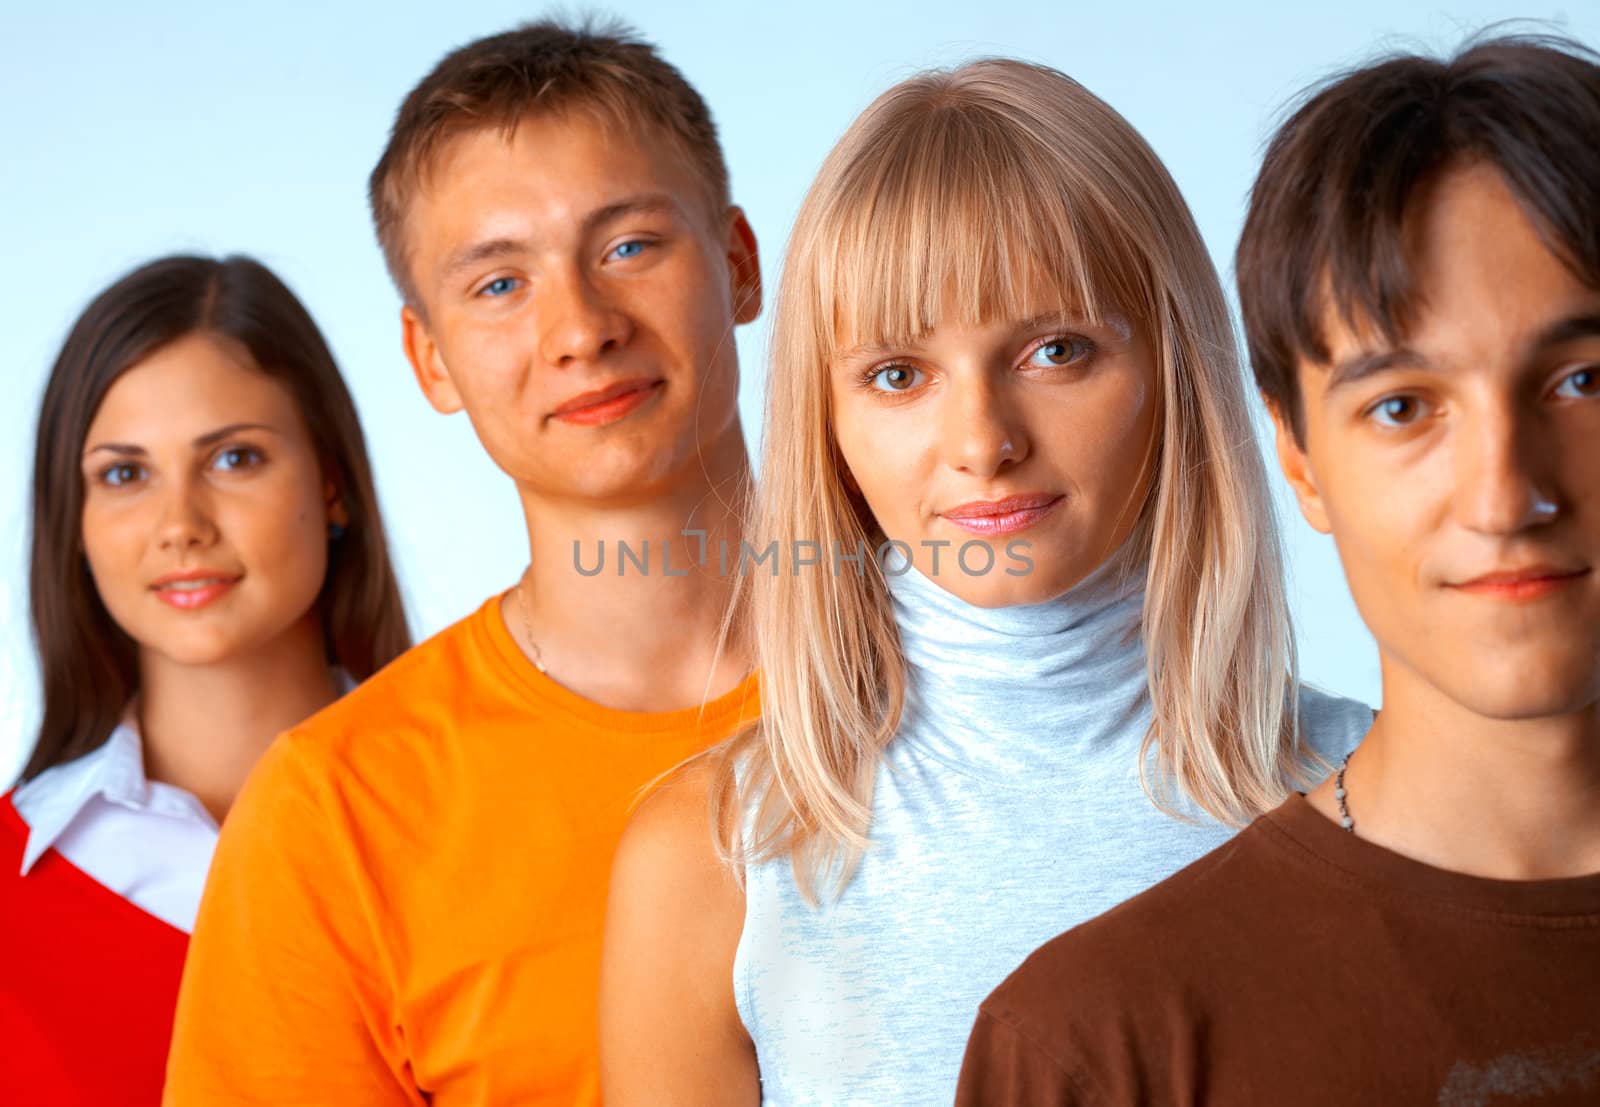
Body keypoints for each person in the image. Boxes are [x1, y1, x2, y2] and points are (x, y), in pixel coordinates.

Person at [599, 58, 1371, 1105]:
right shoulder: (713, 859)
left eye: (1056, 350)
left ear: (1173, 368)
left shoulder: (1376, 797)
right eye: (897, 375)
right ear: (824, 421)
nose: (981, 442)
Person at [956, 34, 1600, 1106]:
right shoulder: (1104, 1044)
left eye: (1580, 381)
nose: (1503, 497)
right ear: (1299, 460)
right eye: (1402, 407)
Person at [164, 19, 763, 1106]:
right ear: (428, 359)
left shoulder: (993, 665)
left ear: (737, 265)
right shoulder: (334, 813)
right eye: (498, 285)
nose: (580, 328)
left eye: (629, 245)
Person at [0, 254, 410, 1107]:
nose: (180, 525)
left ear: (332, 484)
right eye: (124, 474)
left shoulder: (472, 813)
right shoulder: (13, 889)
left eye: (233, 459)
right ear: (71, 522)